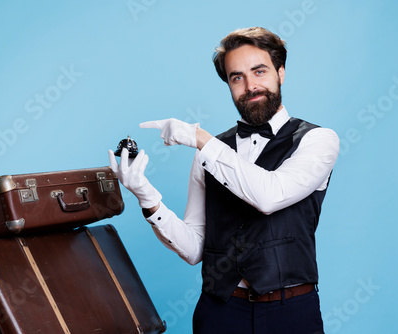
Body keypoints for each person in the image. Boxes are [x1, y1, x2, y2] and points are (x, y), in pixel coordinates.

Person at [109, 27, 339, 334]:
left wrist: (201, 139)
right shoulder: (209, 152)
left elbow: (269, 196)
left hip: (291, 312)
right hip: (221, 312)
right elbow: (194, 250)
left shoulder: (318, 140)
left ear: (280, 73)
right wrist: (145, 195)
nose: (250, 85)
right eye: (237, 77)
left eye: (259, 71)